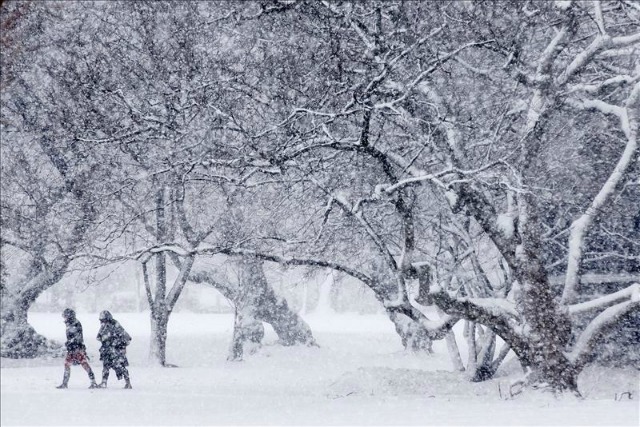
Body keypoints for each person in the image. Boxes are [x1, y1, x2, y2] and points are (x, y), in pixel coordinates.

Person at [56, 308, 99, 389]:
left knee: (83, 364)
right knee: (68, 364)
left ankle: (93, 382)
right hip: (73, 348)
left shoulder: (75, 324)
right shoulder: (70, 323)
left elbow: (77, 337)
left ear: (69, 316)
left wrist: (71, 343)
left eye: (65, 316)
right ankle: (65, 383)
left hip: (77, 348)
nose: (64, 318)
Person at [96, 310, 132, 389]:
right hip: (107, 350)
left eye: (103, 319)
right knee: (106, 366)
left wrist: (116, 343)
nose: (102, 321)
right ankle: (104, 383)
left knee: (120, 366)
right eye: (101, 320)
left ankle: (128, 383)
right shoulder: (104, 326)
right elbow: (99, 336)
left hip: (116, 350)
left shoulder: (115, 325)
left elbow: (126, 336)